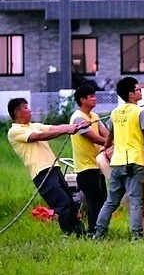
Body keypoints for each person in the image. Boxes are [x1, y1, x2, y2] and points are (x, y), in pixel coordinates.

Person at [93, 77, 144, 240]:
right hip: (135, 161)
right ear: (131, 94)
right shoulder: (141, 113)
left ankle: (98, 234)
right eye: (138, 89)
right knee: (135, 203)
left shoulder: (115, 113)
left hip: (117, 162)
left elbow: (109, 138)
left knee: (111, 202)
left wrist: (106, 147)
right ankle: (136, 237)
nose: (140, 91)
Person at [7, 98, 88, 236]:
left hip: (54, 168)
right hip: (41, 172)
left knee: (70, 203)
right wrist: (67, 130)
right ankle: (69, 235)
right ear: (17, 112)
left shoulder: (34, 125)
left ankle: (81, 234)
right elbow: (40, 136)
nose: (30, 110)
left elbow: (55, 128)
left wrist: (76, 126)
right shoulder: (14, 131)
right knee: (62, 204)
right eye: (26, 108)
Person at [70, 84, 109, 234]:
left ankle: (99, 230)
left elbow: (105, 133)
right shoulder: (78, 118)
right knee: (94, 202)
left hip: (97, 165)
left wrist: (112, 140)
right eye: (91, 96)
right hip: (85, 167)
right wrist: (112, 143)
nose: (95, 99)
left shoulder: (94, 117)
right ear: (82, 99)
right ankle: (93, 231)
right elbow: (93, 137)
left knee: (102, 199)